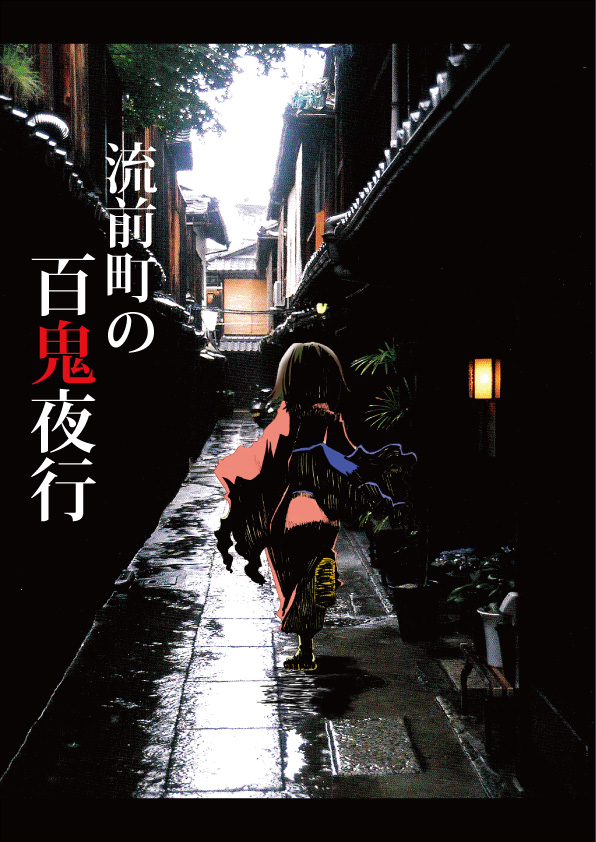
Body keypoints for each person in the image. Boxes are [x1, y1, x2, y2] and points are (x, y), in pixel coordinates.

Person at [214, 342, 416, 671]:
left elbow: (271, 465)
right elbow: (349, 457)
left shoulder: (287, 417)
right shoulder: (330, 418)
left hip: (290, 510)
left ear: (290, 377)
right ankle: (322, 570)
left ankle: (305, 649)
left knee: (290, 577)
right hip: (323, 509)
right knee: (313, 563)